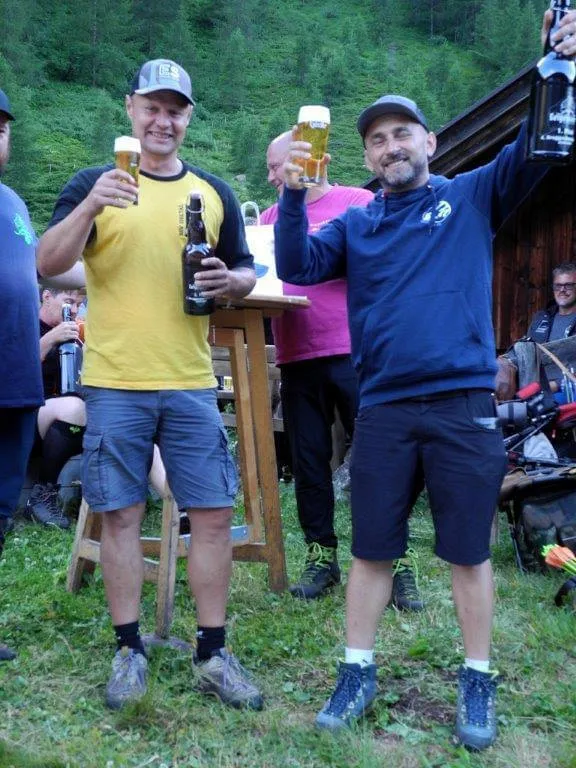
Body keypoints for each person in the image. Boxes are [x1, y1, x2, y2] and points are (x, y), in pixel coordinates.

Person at [272, 10, 576, 750]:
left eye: (402, 133)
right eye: (377, 139)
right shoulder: (357, 224)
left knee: (468, 551)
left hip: (463, 404)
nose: (391, 146)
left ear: (429, 142)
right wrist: (291, 195)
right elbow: (296, 267)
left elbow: (536, 144)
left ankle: (477, 678)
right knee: (372, 549)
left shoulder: (470, 195)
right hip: (382, 408)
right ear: (367, 157)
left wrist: (557, 63)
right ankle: (356, 671)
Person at [37, 59, 261, 711]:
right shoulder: (93, 184)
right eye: (153, 108)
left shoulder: (213, 193)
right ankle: (129, 648)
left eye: (175, 110)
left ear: (188, 117)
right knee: (122, 516)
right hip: (114, 381)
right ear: (131, 108)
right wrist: (91, 205)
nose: (164, 120)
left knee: (212, 514)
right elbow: (47, 263)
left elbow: (245, 271)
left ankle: (212, 653)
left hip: (190, 380)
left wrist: (231, 282)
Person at [262, 133, 424, 610]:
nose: (271, 177)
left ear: (304, 159)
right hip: (295, 355)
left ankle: (397, 561)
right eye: (269, 168)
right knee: (308, 461)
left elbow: (383, 265)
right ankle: (321, 558)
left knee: (380, 460)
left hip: (357, 352)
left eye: (275, 166)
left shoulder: (358, 202)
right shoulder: (270, 218)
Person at [0, 88, 44, 661]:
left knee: (1, 503)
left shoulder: (14, 202)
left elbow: (38, 271)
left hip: (17, 377)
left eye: (2, 128)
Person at [24, 286, 86, 529]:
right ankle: (42, 494)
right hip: (21, 418)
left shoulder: (77, 336)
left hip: (64, 425)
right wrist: (51, 338)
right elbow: (14, 370)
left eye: (79, 304)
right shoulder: (26, 325)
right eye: (69, 301)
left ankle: (174, 506)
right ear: (47, 296)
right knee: (73, 408)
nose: (74, 310)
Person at [496, 262, 576, 400]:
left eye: (568, 285)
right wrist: (504, 364)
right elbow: (525, 351)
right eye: (558, 285)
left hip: (567, 390)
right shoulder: (541, 318)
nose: (562, 290)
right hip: (535, 389)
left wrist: (551, 386)